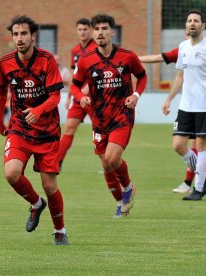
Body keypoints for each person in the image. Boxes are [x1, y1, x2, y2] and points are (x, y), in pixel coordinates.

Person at [0, 15, 68, 245]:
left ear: (33, 36)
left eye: (23, 33)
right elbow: (1, 91)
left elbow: (56, 96)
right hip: (20, 127)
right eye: (15, 34)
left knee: (49, 185)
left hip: (47, 131)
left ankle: (60, 230)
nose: (19, 38)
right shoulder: (6, 62)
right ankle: (36, 204)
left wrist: (38, 110)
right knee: (11, 173)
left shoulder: (47, 60)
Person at [71, 14, 147, 217]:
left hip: (122, 116)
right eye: (97, 29)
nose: (100, 33)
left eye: (104, 29)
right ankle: (120, 202)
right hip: (99, 119)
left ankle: (128, 187)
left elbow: (142, 76)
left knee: (113, 159)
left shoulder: (127, 56)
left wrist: (136, 95)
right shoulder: (86, 61)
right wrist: (80, 98)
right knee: (106, 165)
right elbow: (75, 85)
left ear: (112, 32)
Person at [139, 40, 206, 195]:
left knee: (200, 144)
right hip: (191, 106)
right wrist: (132, 58)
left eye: (195, 23)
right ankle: (205, 179)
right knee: (189, 144)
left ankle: (204, 181)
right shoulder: (182, 50)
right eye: (188, 24)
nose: (190, 30)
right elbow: (158, 58)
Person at [162, 10, 206, 201]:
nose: (192, 23)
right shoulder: (183, 47)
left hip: (205, 105)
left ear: (203, 26)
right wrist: (169, 99)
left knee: (202, 145)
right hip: (185, 105)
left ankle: (198, 189)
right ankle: (204, 174)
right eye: (189, 20)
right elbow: (180, 76)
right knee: (178, 144)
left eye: (196, 21)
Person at [58, 18, 97, 168]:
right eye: (80, 29)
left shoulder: (96, 48)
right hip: (77, 97)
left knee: (99, 130)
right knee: (69, 127)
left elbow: (100, 71)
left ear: (90, 30)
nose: (82, 32)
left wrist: (89, 86)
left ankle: (109, 163)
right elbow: (75, 76)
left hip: (94, 98)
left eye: (85, 29)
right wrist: (69, 96)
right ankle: (58, 162)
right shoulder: (75, 51)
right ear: (77, 31)